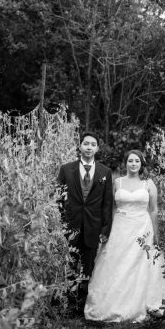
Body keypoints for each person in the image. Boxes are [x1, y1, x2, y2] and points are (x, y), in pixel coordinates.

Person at [84, 150, 165, 322]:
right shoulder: (117, 182)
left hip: (142, 228)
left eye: (137, 161)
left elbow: (154, 210)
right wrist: (109, 230)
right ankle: (114, 302)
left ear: (141, 164)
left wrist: (156, 234)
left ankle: (144, 301)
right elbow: (112, 208)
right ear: (126, 163)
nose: (134, 164)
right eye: (130, 161)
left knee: (141, 263)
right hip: (120, 228)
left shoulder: (148, 183)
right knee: (118, 263)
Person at [56, 132, 114, 315]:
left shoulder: (105, 172)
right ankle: (69, 303)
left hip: (93, 226)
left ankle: (83, 304)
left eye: (93, 144)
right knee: (70, 264)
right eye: (86, 143)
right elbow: (58, 199)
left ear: (97, 148)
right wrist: (60, 224)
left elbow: (107, 203)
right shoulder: (66, 169)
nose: (89, 147)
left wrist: (105, 229)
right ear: (80, 146)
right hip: (70, 225)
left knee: (88, 266)